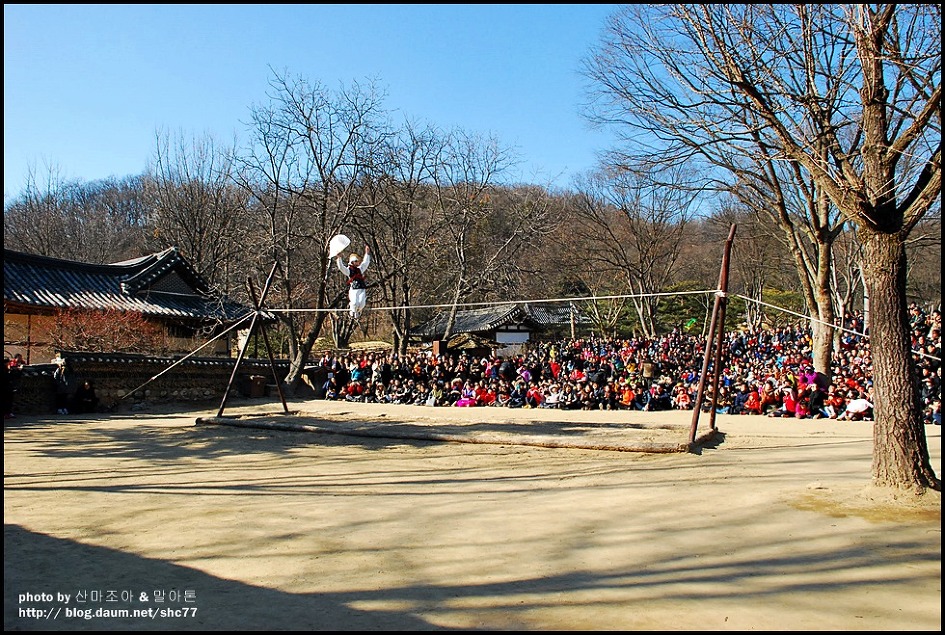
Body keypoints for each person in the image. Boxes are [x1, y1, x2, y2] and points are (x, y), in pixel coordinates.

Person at [336, 245, 371, 319]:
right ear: (352, 262)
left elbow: (365, 263)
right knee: (354, 302)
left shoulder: (359, 269)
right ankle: (352, 311)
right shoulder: (349, 270)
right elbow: (341, 268)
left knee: (362, 304)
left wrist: (367, 254)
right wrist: (339, 258)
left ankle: (358, 311)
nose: (358, 263)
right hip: (354, 290)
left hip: (362, 289)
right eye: (356, 261)